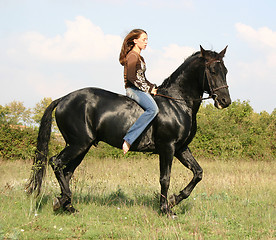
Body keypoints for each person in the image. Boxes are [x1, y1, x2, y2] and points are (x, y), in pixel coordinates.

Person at [119, 29, 159, 154]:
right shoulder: (132, 55)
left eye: (147, 39)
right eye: (143, 39)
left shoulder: (139, 57)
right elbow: (132, 77)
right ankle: (129, 139)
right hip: (133, 90)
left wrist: (152, 87)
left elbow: (142, 78)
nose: (146, 42)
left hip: (139, 88)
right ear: (135, 41)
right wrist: (148, 89)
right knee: (153, 109)